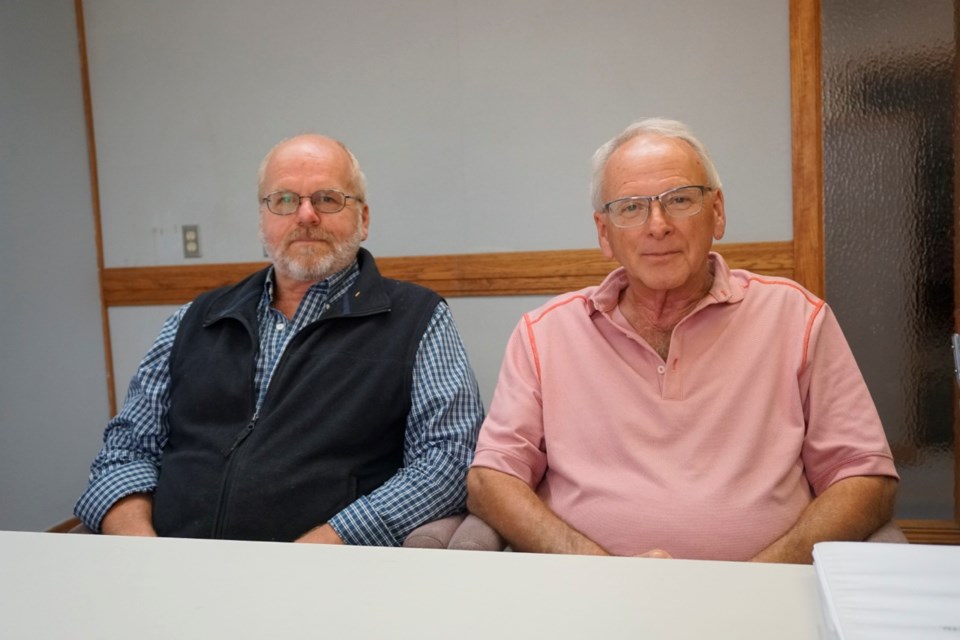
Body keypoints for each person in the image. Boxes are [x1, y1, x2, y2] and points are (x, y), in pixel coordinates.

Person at [466, 118, 898, 563]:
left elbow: (864, 475)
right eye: (630, 208)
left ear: (717, 212)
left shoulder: (797, 318)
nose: (658, 225)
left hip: (762, 605)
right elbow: (491, 479)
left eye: (680, 200)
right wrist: (597, 569)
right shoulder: (545, 334)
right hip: (589, 600)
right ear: (603, 232)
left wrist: (758, 578)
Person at [75, 134, 484, 545]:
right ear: (263, 219)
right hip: (170, 564)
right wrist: (139, 547)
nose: (305, 215)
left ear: (364, 218)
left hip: (328, 578)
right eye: (284, 200)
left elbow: (448, 460)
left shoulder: (417, 318)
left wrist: (329, 542)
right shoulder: (195, 318)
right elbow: (126, 448)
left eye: (327, 199)